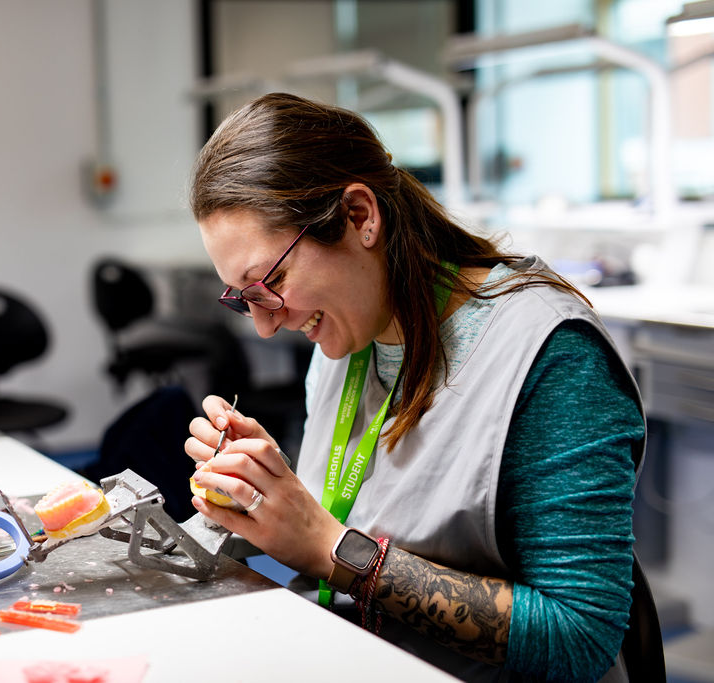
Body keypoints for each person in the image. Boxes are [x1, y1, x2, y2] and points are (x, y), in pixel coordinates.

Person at [183, 93, 644, 682]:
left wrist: (328, 548)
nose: (269, 326)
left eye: (268, 283)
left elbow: (579, 638)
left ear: (358, 216)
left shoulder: (548, 355)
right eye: (243, 300)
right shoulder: (344, 340)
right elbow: (359, 514)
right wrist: (260, 496)